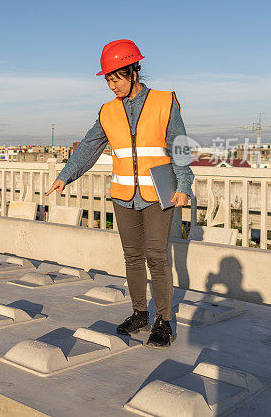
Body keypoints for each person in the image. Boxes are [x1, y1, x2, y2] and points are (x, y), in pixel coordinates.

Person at [45, 39, 193, 349]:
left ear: (133, 72)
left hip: (158, 193)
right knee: (132, 256)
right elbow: (88, 147)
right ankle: (140, 314)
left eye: (116, 79)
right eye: (109, 80)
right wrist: (65, 176)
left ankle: (163, 321)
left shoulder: (165, 101)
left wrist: (183, 186)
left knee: (156, 255)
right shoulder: (108, 111)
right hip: (123, 194)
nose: (112, 86)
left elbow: (178, 145)